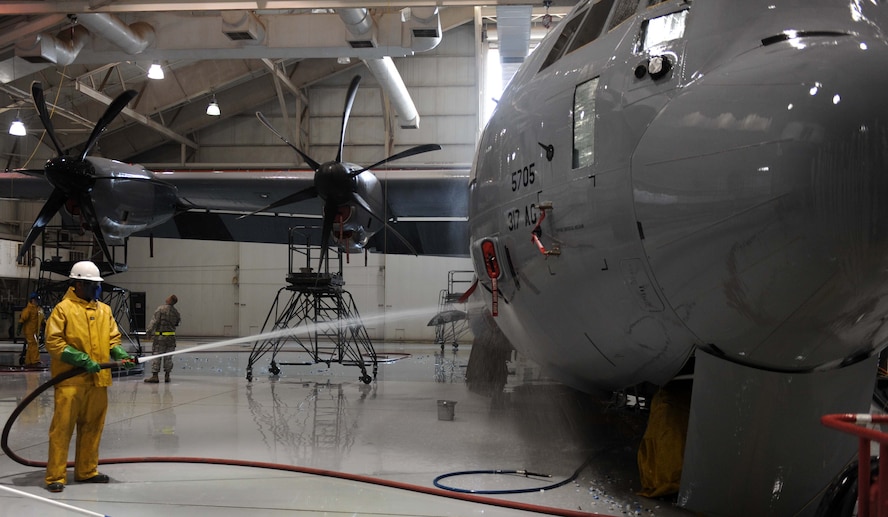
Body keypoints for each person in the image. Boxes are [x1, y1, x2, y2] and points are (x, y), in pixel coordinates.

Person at [44, 261, 136, 493]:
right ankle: (56, 476)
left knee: (93, 427)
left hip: (98, 380)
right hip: (70, 381)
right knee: (62, 429)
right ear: (78, 284)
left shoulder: (104, 310)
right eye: (92, 285)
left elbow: (113, 339)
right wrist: (81, 360)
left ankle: (86, 471)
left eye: (97, 286)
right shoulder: (63, 309)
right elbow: (54, 342)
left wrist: (120, 353)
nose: (97, 290)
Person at [144, 295, 181, 384]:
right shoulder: (176, 312)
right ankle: (167, 375)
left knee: (157, 355)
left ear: (169, 300)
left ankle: (155, 376)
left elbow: (154, 321)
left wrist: (148, 332)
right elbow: (177, 323)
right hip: (171, 338)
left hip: (160, 338)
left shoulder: (160, 309)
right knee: (168, 357)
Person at [18, 292, 44, 366]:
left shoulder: (39, 310)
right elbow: (22, 319)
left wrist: (45, 325)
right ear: (32, 300)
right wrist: (19, 328)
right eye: (35, 300)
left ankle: (28, 361)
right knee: (34, 345)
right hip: (30, 331)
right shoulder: (28, 310)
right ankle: (35, 361)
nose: (37, 302)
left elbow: (42, 319)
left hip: (36, 331)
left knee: (31, 346)